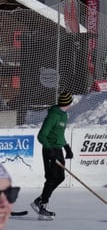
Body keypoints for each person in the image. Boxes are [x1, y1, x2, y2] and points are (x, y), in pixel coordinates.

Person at [31, 92, 75, 220]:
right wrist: (49, 150)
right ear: (67, 103)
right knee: (51, 178)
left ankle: (40, 200)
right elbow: (41, 135)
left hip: (58, 149)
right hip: (49, 150)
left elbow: (59, 134)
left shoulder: (64, 115)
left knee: (60, 177)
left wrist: (66, 147)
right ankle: (43, 207)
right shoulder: (53, 115)